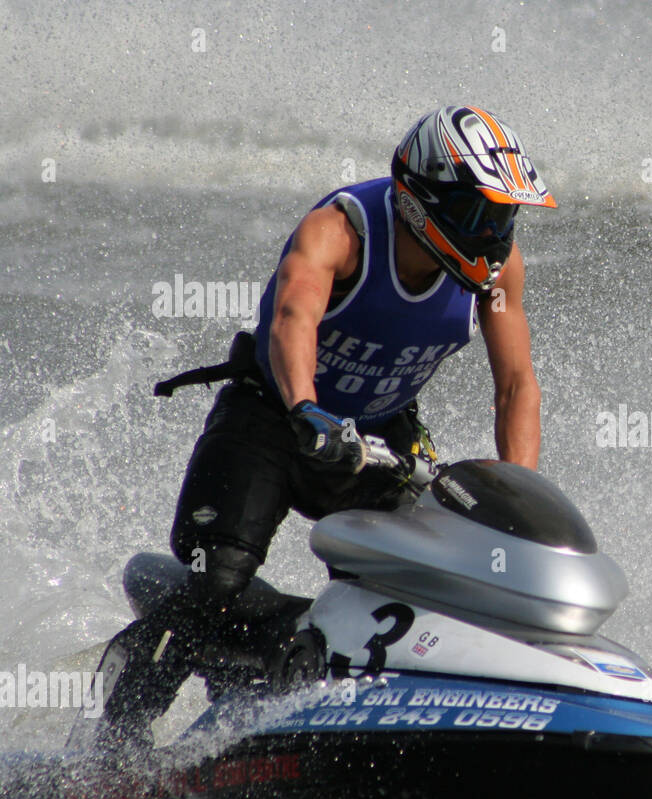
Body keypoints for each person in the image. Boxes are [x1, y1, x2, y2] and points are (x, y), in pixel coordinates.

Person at [81, 106, 554, 751]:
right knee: (213, 585)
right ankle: (109, 759)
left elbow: (516, 385)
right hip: (274, 420)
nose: (494, 236)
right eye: (481, 215)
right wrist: (306, 410)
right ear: (423, 201)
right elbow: (293, 318)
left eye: (504, 217)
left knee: (423, 596)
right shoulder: (340, 232)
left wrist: (519, 494)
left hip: (378, 444)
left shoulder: (497, 273)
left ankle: (346, 701)